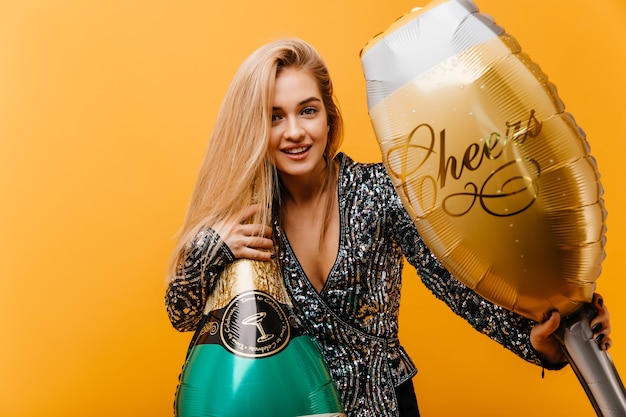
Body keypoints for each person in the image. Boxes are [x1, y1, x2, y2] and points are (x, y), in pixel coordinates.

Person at [165, 38, 612, 417]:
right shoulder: (247, 216)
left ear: (329, 117)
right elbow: (182, 315)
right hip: (300, 409)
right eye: (275, 116)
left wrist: (537, 342)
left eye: (307, 110)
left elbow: (454, 283)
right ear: (255, 127)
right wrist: (213, 246)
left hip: (389, 405)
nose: (295, 132)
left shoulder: (380, 190)